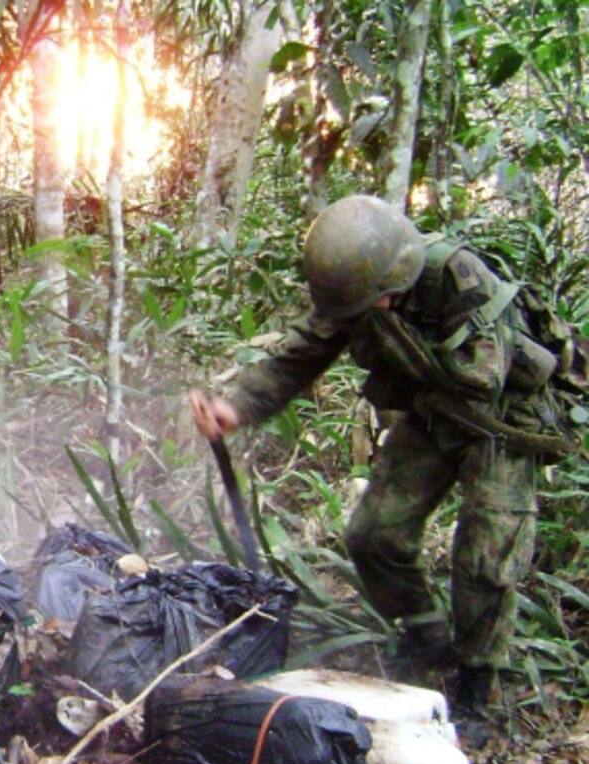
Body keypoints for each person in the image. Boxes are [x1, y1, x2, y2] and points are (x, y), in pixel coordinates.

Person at [190, 194, 572, 728]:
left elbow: (485, 378)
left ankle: (475, 685)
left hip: (499, 422)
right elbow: (302, 351)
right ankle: (425, 636)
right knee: (375, 534)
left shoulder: (455, 277)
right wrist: (236, 406)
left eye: (378, 303)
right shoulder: (356, 294)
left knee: (486, 559)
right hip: (433, 413)